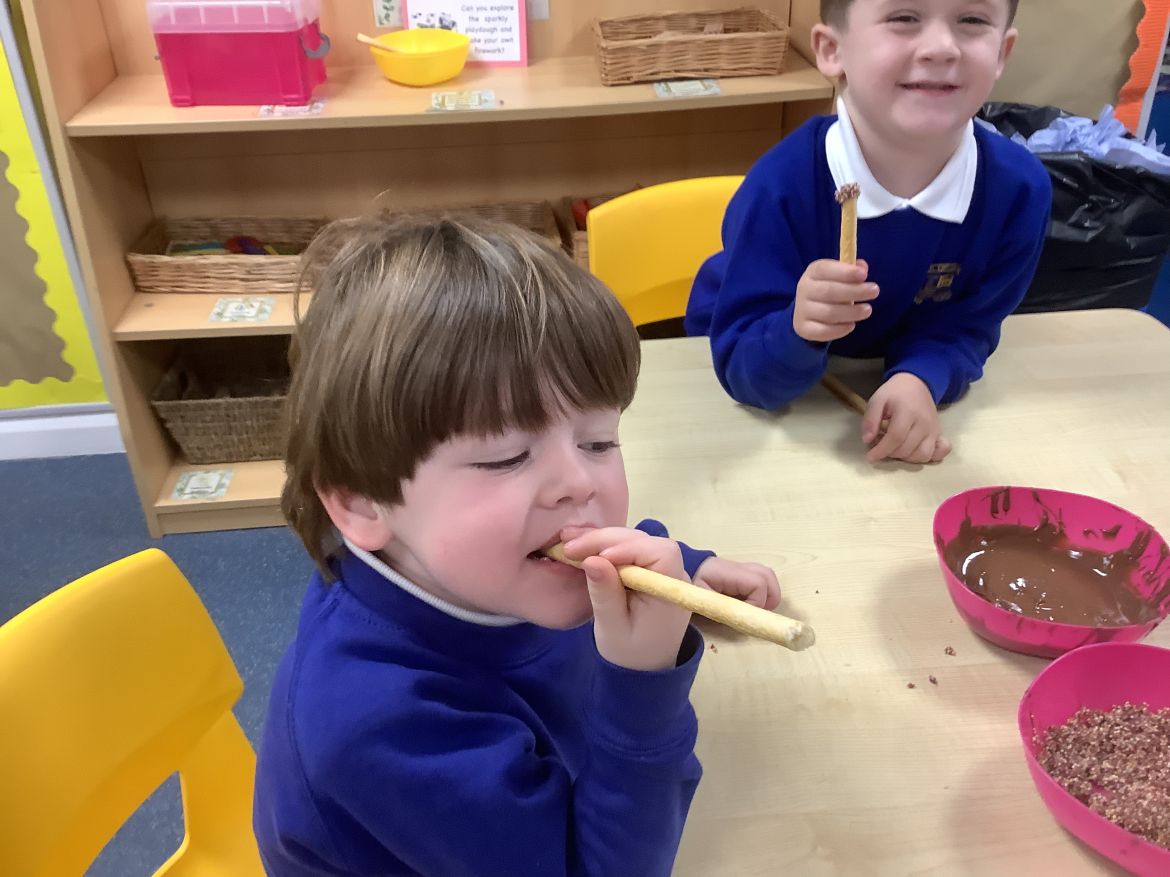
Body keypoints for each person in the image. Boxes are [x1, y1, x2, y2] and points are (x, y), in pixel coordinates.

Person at [253, 213, 782, 876]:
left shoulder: (471, 562)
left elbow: (583, 546)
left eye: (599, 441)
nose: (578, 483)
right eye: (506, 456)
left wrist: (688, 568)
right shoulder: (381, 723)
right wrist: (644, 690)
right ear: (362, 501)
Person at [685, 0, 1051, 465]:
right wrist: (799, 328)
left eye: (972, 20)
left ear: (1002, 53)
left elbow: (968, 326)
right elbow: (745, 372)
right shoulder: (780, 186)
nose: (941, 47)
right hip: (757, 383)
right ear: (832, 50)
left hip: (872, 398)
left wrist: (920, 376)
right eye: (904, 18)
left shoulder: (1019, 192)